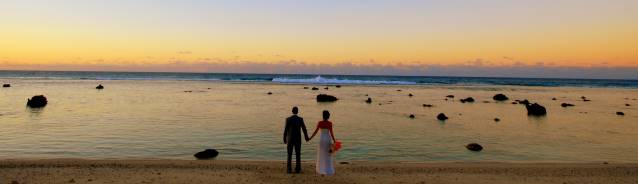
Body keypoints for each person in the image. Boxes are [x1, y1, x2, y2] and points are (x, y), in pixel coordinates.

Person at [309, 110, 336, 175]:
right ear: (328, 116)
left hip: (321, 140)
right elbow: (331, 133)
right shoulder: (330, 123)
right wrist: (334, 141)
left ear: (323, 116)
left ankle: (321, 169)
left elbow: (315, 132)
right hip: (327, 139)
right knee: (328, 154)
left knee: (321, 154)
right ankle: (328, 168)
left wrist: (310, 138)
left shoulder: (320, 123)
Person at [283, 106, 310, 173]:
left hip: (290, 139)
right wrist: (306, 137)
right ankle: (298, 169)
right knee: (298, 154)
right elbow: (304, 129)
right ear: (297, 112)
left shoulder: (288, 119)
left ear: (292, 111)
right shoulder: (300, 119)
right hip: (298, 139)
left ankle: (289, 169)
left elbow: (285, 130)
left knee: (289, 154)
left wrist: (284, 138)